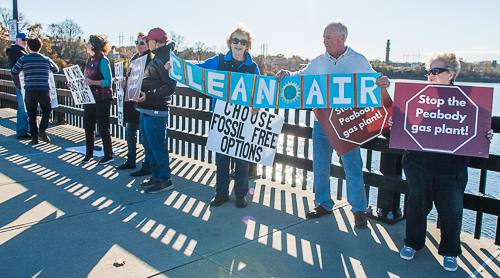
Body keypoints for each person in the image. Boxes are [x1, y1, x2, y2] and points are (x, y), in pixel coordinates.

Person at [276, 20, 390, 228]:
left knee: (352, 166)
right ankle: (323, 204)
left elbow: (374, 80)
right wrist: (287, 75)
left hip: (348, 123)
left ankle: (358, 210)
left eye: (328, 37)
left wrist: (383, 82)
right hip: (323, 122)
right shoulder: (319, 61)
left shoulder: (358, 60)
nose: (324, 41)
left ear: (342, 38)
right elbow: (301, 77)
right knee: (320, 163)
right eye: (323, 37)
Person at [394, 52, 493, 272]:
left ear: (452, 74)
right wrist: (395, 123)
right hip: (419, 163)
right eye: (429, 71)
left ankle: (449, 251)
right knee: (417, 206)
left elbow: (477, 127)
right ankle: (413, 243)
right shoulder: (417, 97)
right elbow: (404, 126)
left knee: (452, 210)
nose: (431, 75)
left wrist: (486, 135)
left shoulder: (469, 102)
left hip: (452, 169)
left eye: (436, 71)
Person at [166, 24, 260, 208]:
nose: (239, 44)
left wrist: (256, 104)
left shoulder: (252, 66)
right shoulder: (218, 61)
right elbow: (194, 70)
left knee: (242, 160)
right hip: (222, 118)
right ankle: (221, 193)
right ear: (229, 43)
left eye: (243, 41)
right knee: (222, 158)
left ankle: (241, 195)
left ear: (247, 45)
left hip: (243, 119)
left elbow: (258, 91)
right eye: (235, 40)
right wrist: (174, 66)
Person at [133, 27, 176, 194]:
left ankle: (165, 180)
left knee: (158, 146)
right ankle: (156, 176)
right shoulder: (156, 57)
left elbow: (170, 87)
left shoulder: (165, 58)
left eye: (148, 41)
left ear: (155, 42)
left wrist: (148, 96)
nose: (146, 43)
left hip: (156, 111)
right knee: (149, 145)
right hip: (146, 109)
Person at [115, 32, 153, 177]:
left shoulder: (150, 60)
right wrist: (125, 83)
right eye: (137, 43)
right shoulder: (133, 59)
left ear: (148, 44)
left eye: (142, 43)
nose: (139, 45)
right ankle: (130, 160)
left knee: (145, 136)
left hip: (143, 102)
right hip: (131, 102)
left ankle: (147, 165)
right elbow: (131, 81)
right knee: (130, 133)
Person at [10, 37, 59, 145]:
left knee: (32, 114)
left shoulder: (23, 59)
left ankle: (34, 138)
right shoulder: (46, 59)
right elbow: (56, 69)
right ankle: (42, 130)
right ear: (40, 47)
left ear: (28, 47)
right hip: (44, 90)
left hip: (30, 90)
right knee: (46, 111)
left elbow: (13, 72)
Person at [81, 35, 114, 165]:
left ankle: (108, 154)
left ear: (94, 45)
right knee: (88, 127)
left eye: (88, 43)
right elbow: (86, 79)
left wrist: (91, 82)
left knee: (103, 126)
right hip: (90, 98)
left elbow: (108, 81)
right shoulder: (90, 60)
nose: (86, 45)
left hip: (102, 98)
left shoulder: (103, 61)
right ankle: (89, 154)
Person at [6, 32, 29, 139]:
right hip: (21, 84)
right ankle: (22, 132)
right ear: (16, 40)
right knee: (22, 108)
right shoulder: (15, 52)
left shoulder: (19, 51)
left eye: (26, 40)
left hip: (22, 83)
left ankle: (24, 130)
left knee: (24, 107)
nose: (25, 42)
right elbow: (17, 69)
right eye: (22, 40)